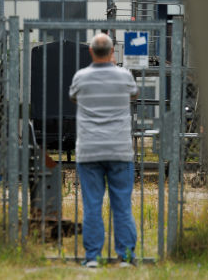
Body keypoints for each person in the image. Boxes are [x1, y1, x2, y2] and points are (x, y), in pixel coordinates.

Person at [68, 32, 138, 268]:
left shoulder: (81, 77)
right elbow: (133, 93)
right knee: (122, 205)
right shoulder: (125, 76)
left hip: (89, 150)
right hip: (119, 150)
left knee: (92, 206)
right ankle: (126, 257)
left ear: (90, 52)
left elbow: (74, 97)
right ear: (112, 52)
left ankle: (92, 258)